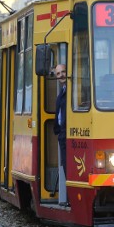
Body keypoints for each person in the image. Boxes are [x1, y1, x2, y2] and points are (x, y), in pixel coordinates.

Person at [53, 64, 69, 206]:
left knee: (68, 165)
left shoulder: (71, 91)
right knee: (65, 164)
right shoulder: (63, 91)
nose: (61, 75)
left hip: (67, 133)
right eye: (58, 74)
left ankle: (69, 198)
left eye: (63, 72)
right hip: (62, 134)